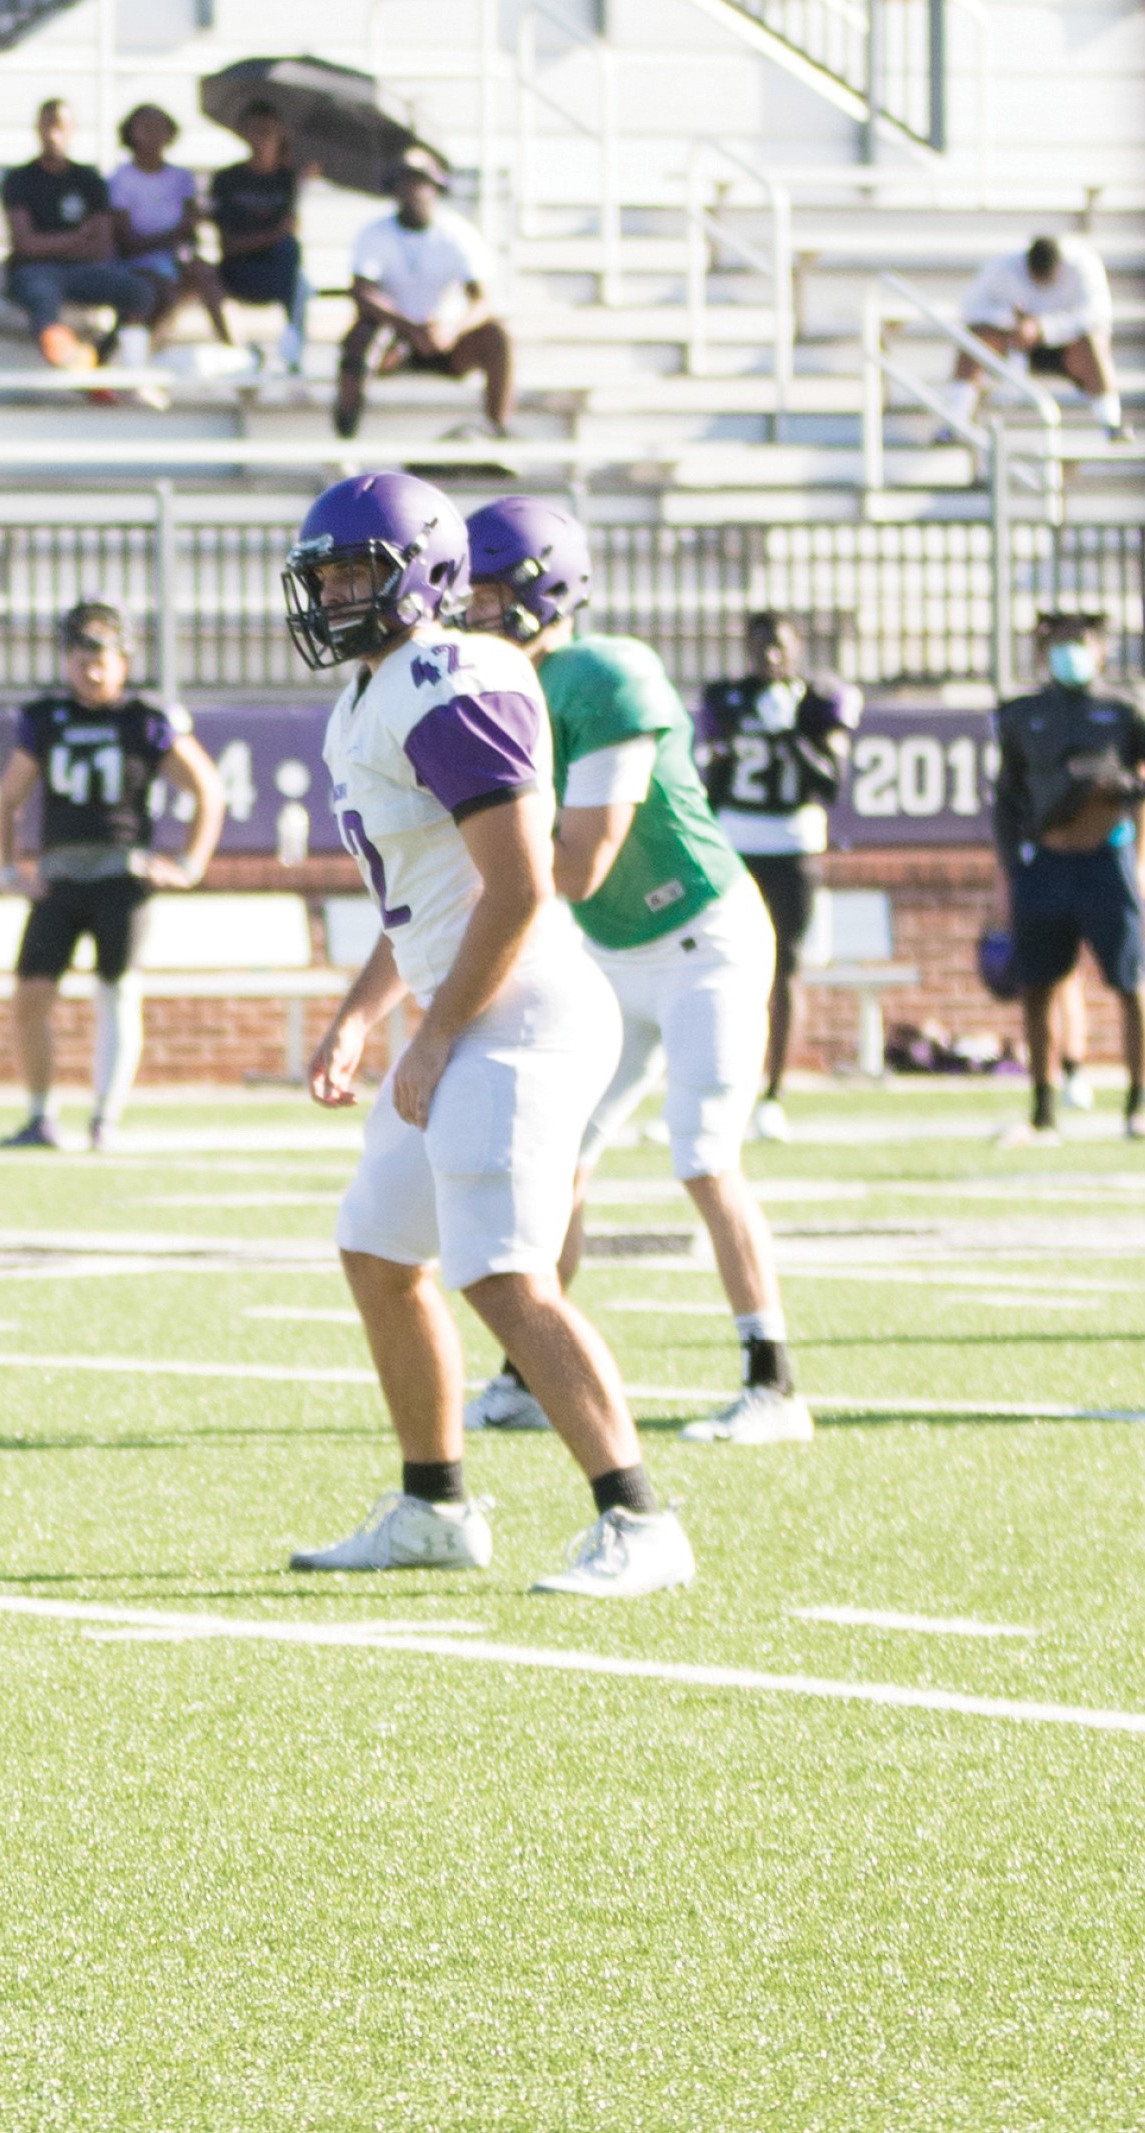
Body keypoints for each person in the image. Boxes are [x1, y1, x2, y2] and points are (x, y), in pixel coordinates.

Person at [282, 471, 686, 1598]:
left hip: (523, 1015)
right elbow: (425, 895)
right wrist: (367, 1015)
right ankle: (433, 1506)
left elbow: (517, 892)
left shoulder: (451, 680)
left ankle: (638, 1517)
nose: (335, 593)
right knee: (377, 1248)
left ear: (424, 577)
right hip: (467, 1012)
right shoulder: (374, 691)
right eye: (326, 575)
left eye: (357, 571)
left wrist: (434, 1030)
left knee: (504, 1274)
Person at [454, 497, 811, 1448]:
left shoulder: (608, 672)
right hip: (612, 955)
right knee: (557, 1157)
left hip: (706, 944)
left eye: (487, 594)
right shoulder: (505, 687)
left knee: (701, 1152)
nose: (470, 612)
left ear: (543, 591)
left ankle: (772, 1382)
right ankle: (530, 1375)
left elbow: (576, 869)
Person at [0, 601, 223, 1153]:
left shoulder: (143, 719)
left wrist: (190, 864)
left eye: (102, 659)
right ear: (66, 661)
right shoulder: (45, 719)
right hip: (60, 877)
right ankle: (41, 1116)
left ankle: (104, 1119)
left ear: (123, 661)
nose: (91, 670)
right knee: (30, 995)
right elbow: (8, 798)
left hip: (121, 875)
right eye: (80, 658)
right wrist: (6, 865)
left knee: (117, 992)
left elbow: (207, 788)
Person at [695, 612, 862, 1140]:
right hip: (736, 842)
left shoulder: (818, 701)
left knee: (784, 967)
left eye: (779, 646)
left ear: (797, 648)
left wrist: (789, 733)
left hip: (793, 844)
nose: (769, 656)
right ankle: (712, 1089)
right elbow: (715, 780)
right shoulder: (726, 698)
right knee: (717, 965)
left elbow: (831, 784)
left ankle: (775, 1091)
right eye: (761, 645)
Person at [988, 608, 1144, 1143]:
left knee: (1131, 983)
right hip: (1047, 863)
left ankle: (1137, 1105)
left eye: (1080, 642)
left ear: (1101, 650)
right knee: (1038, 986)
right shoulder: (1021, 715)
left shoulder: (1123, 711)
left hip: (1107, 859)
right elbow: (1007, 797)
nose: (1070, 653)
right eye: (1059, 643)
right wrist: (1010, 868)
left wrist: (1139, 858)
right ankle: (1043, 1109)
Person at [336, 164, 513, 442]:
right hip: (395, 340)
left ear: (437, 188)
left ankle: (497, 431)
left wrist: (452, 329)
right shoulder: (374, 233)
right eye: (406, 183)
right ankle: (346, 434)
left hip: (447, 339)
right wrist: (409, 327)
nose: (414, 191)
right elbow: (362, 293)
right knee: (359, 340)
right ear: (394, 189)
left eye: (421, 183)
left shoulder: (458, 233)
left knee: (496, 337)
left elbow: (482, 302)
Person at [0, 98, 160, 379]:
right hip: (36, 273)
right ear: (38, 128)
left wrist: (49, 245)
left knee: (139, 293)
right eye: (48, 125)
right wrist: (77, 238)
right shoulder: (19, 180)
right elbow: (24, 244)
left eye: (60, 126)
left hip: (82, 270)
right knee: (41, 295)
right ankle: (69, 362)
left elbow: (100, 245)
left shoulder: (88, 180)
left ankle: (102, 360)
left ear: (73, 130)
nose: (53, 134)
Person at [951, 236, 1124, 441]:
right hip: (1012, 346)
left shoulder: (1084, 264)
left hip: (1065, 347)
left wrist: (1042, 327)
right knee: (978, 339)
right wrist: (1009, 322)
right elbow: (970, 309)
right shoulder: (1002, 266)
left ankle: (1111, 423)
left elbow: (1096, 314)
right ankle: (954, 423)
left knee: (1094, 342)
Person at [205, 99, 313, 378]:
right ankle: (239, 348)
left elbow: (289, 236)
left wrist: (301, 187)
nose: (261, 137)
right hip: (238, 270)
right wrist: (273, 235)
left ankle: (292, 350)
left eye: (267, 130)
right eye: (254, 130)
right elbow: (228, 244)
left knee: (302, 279)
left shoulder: (288, 180)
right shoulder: (228, 179)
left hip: (279, 271)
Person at [108, 102, 217, 346]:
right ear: (131, 133)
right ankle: (138, 352)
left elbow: (191, 235)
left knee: (205, 275)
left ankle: (235, 350)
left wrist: (189, 238)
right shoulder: (121, 179)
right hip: (134, 264)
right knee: (160, 289)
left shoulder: (182, 178)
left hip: (172, 263)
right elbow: (125, 242)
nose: (153, 134)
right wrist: (174, 235)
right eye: (145, 127)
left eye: (159, 127)